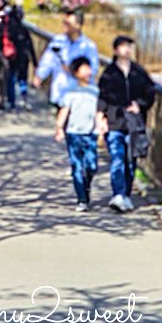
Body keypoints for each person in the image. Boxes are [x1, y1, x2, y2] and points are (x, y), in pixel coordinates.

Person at [97, 35, 156, 212]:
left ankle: (126, 194)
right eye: (123, 47)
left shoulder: (139, 72)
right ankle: (118, 194)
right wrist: (100, 118)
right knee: (116, 158)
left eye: (129, 46)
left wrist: (140, 105)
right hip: (115, 121)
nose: (127, 50)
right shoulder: (109, 73)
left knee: (130, 161)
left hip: (134, 124)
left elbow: (150, 93)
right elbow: (103, 97)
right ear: (116, 50)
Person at [54, 56, 107, 211]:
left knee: (91, 165)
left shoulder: (96, 91)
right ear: (76, 73)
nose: (88, 71)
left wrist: (101, 129)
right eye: (84, 68)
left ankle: (86, 185)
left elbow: (100, 112)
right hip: (73, 133)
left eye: (89, 68)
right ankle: (81, 199)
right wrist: (59, 128)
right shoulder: (70, 93)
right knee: (77, 165)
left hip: (90, 133)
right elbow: (64, 111)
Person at [33, 9, 99, 108]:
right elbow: (48, 59)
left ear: (78, 25)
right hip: (60, 91)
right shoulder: (58, 41)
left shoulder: (88, 46)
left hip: (79, 94)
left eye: (68, 23)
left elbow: (93, 69)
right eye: (64, 23)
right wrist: (40, 75)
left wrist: (74, 70)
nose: (65, 26)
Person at [3, 3, 38, 110]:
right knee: (22, 79)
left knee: (11, 79)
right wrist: (34, 61)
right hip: (23, 57)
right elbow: (30, 45)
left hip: (12, 57)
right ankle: (24, 99)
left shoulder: (8, 29)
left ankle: (11, 102)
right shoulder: (24, 28)